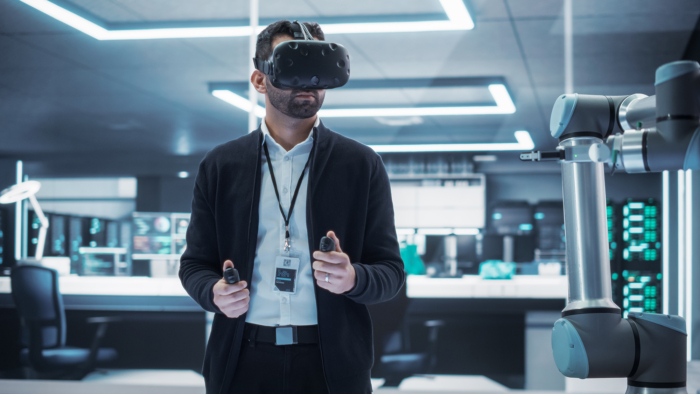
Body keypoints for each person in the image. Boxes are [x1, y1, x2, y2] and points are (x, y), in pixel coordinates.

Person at [179, 20, 405, 394]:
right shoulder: (221, 165)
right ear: (259, 80)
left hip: (331, 365)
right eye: (293, 66)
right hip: (241, 361)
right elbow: (194, 265)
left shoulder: (361, 164)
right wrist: (213, 292)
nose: (309, 81)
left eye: (318, 69)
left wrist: (354, 279)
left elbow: (391, 272)